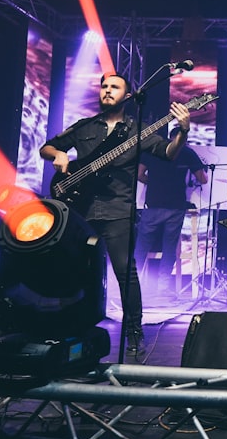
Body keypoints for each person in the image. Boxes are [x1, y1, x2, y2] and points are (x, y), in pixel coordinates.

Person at [40, 73, 192, 354]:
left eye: (115, 87)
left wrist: (182, 131)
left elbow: (168, 153)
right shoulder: (85, 126)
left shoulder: (139, 130)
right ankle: (72, 328)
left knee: (125, 272)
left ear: (128, 96)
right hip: (80, 209)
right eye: (104, 86)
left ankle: (134, 332)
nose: (108, 91)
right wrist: (58, 155)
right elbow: (47, 147)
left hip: (118, 210)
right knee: (74, 270)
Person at [134, 140, 208, 297]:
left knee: (141, 248)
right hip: (175, 207)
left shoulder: (153, 149)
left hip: (153, 204)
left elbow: (139, 174)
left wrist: (153, 182)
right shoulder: (187, 152)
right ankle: (163, 288)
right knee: (169, 248)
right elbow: (203, 179)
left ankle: (133, 286)